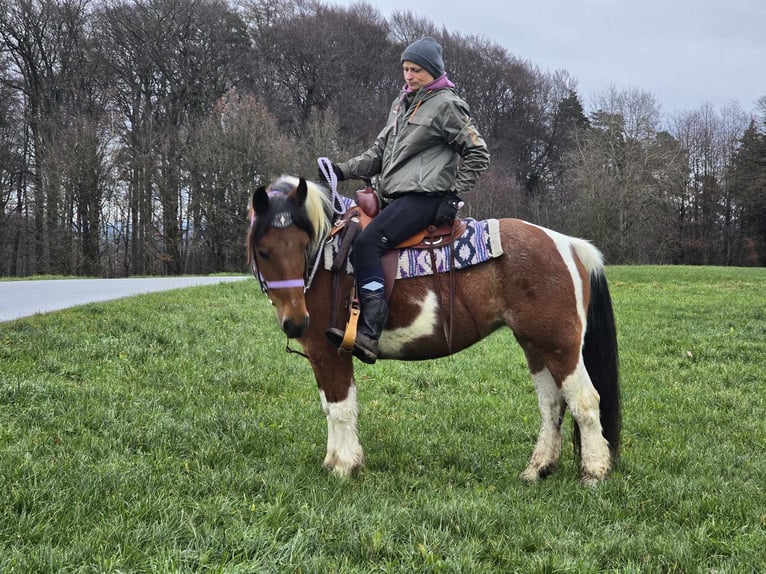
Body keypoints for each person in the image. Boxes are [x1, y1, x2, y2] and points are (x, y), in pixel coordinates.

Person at [323, 36, 490, 364]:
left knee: (367, 243)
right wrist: (339, 170)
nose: (409, 76)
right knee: (350, 231)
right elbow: (377, 153)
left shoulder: (446, 104)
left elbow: (477, 152)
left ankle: (370, 329)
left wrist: (454, 197)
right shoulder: (401, 104)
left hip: (425, 199)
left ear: (433, 71)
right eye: (405, 69)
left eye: (416, 70)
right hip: (393, 198)